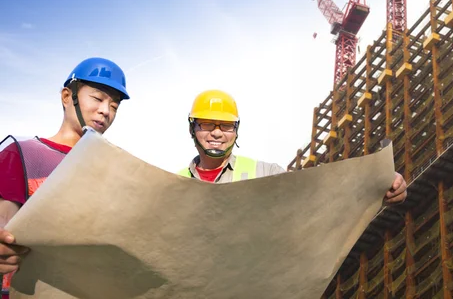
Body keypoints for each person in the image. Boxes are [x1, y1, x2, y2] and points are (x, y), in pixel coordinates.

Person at [0, 57, 130, 298]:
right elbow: (3, 229)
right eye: (98, 98)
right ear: (67, 96)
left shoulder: (113, 169)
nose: (105, 111)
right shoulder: (21, 155)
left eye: (114, 106)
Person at [178, 90, 408, 204]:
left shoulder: (264, 174)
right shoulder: (171, 184)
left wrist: (379, 181)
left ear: (236, 130)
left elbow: (315, 193)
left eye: (226, 126)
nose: (217, 132)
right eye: (207, 124)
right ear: (192, 128)